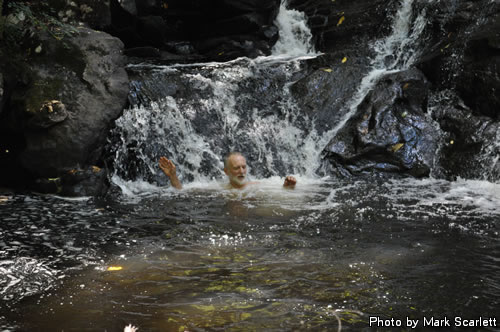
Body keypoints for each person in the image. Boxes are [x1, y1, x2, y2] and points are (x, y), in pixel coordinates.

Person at [159, 152, 297, 190]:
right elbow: (181, 192)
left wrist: (288, 187)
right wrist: (173, 176)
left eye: (243, 167)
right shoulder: (217, 188)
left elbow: (280, 193)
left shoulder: (258, 186)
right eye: (236, 168)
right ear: (226, 171)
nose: (242, 171)